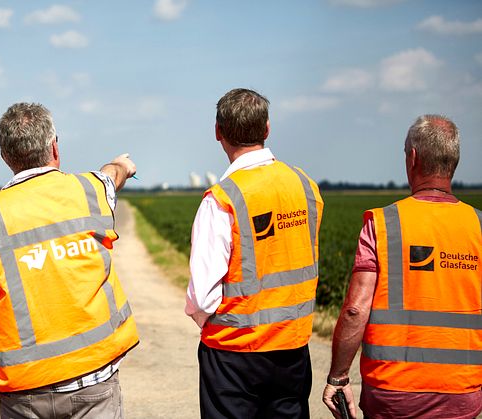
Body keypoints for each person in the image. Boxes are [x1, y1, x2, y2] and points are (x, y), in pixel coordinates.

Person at [0, 102, 140, 419]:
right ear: (54, 147)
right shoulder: (90, 191)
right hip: (93, 379)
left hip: (25, 389)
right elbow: (113, 176)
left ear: (5, 156)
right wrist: (121, 164)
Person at [322, 115, 482, 419]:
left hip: (392, 391)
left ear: (413, 158)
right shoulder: (479, 226)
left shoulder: (383, 224)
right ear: (454, 162)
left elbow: (356, 309)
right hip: (462, 391)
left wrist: (338, 376)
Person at [185, 88, 323, 418]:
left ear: (218, 132)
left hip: (234, 354)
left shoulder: (221, 199)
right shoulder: (304, 186)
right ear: (267, 128)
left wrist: (212, 326)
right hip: (293, 347)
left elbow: (202, 298)